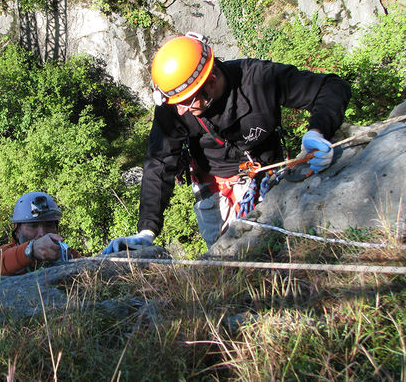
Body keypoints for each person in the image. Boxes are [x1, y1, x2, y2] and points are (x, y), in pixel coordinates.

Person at [103, 32, 351, 254]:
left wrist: (317, 132)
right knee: (228, 258)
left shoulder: (258, 80)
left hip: (269, 175)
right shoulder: (174, 108)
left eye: (187, 101)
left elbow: (331, 87)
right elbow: (159, 162)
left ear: (210, 80)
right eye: (175, 103)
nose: (180, 111)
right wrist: (147, 230)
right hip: (216, 188)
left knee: (275, 248)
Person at [0, 191, 81, 277]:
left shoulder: (66, 254)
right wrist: (31, 250)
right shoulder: (2, 254)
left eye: (49, 225)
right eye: (33, 226)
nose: (42, 233)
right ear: (17, 230)